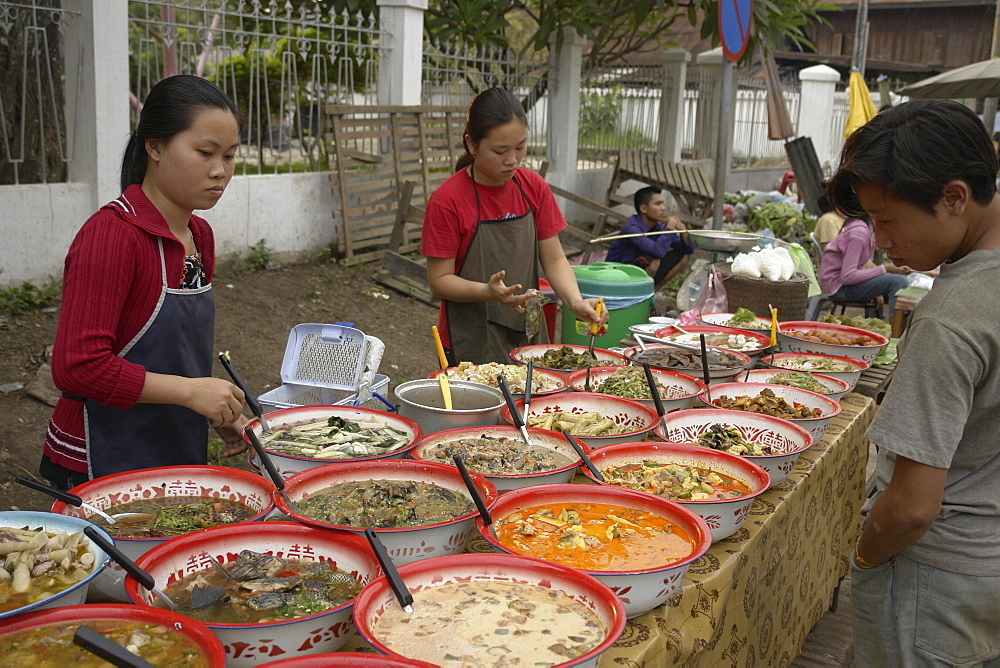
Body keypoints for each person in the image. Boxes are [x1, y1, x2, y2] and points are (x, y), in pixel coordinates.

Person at [827, 99, 1000, 665]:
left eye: (886, 220)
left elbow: (910, 508)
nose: (878, 241)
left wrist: (868, 559)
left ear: (954, 198)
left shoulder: (950, 318)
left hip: (937, 579)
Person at [40, 75, 248, 489]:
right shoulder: (112, 235)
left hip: (173, 445)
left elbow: (177, 351)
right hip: (99, 456)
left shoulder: (199, 236)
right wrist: (189, 392)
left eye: (229, 156)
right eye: (205, 152)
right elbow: (77, 368)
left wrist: (219, 412)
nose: (219, 171)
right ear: (154, 146)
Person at [421, 87, 604, 364]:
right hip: (469, 338)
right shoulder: (448, 201)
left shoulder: (533, 187)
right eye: (500, 150)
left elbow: (554, 259)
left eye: (520, 147)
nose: (512, 160)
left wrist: (576, 302)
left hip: (527, 334)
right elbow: (439, 281)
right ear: (472, 144)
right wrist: (487, 291)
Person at [817, 213, 910, 316]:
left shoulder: (866, 229)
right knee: (898, 282)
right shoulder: (859, 233)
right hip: (838, 288)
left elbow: (856, 268)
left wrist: (876, 285)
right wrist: (885, 268)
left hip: (843, 285)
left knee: (902, 283)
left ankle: (898, 324)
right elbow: (848, 276)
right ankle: (897, 329)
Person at [605, 186, 694, 289]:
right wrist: (669, 228)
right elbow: (658, 251)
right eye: (658, 204)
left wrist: (683, 231)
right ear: (643, 208)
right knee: (652, 260)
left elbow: (688, 249)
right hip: (617, 274)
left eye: (662, 203)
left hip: (637, 271)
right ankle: (638, 296)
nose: (663, 208)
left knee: (683, 255)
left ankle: (652, 293)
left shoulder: (657, 226)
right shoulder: (632, 228)